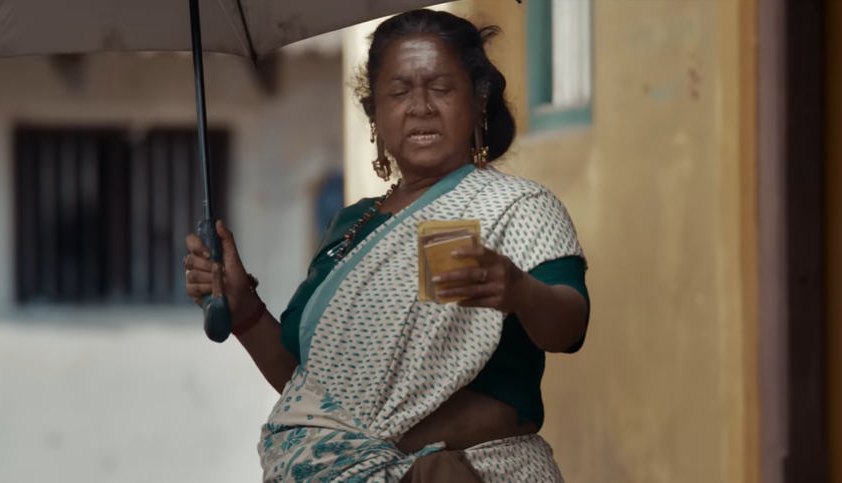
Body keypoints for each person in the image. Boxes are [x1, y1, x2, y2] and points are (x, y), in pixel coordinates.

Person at [183, 9, 589, 482]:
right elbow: (319, 399)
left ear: (478, 98)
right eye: (398, 92)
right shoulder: (350, 225)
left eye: (440, 88)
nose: (420, 107)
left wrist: (519, 291)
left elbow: (569, 328)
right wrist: (245, 311)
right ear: (374, 111)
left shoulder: (517, 207)